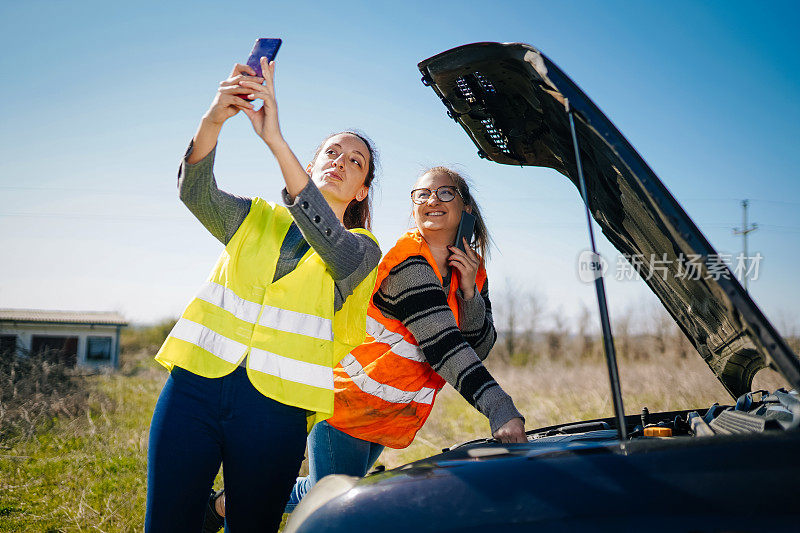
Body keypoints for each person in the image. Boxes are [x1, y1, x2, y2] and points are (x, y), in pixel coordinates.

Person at [204, 166, 526, 528]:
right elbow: (444, 347)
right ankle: (222, 506)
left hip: (388, 409)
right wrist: (499, 407)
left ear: (465, 208)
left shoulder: (472, 269)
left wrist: (468, 292)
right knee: (337, 502)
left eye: (445, 193)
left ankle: (222, 504)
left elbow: (480, 345)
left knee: (327, 489)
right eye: (421, 194)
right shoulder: (409, 265)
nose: (432, 200)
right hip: (346, 399)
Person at [145, 56, 381, 533]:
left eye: (355, 162)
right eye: (332, 152)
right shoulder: (255, 218)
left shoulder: (362, 251)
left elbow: (330, 242)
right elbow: (195, 190)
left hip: (277, 411)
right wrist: (215, 117)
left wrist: (275, 140)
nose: (340, 162)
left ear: (361, 192)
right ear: (313, 165)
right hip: (195, 386)